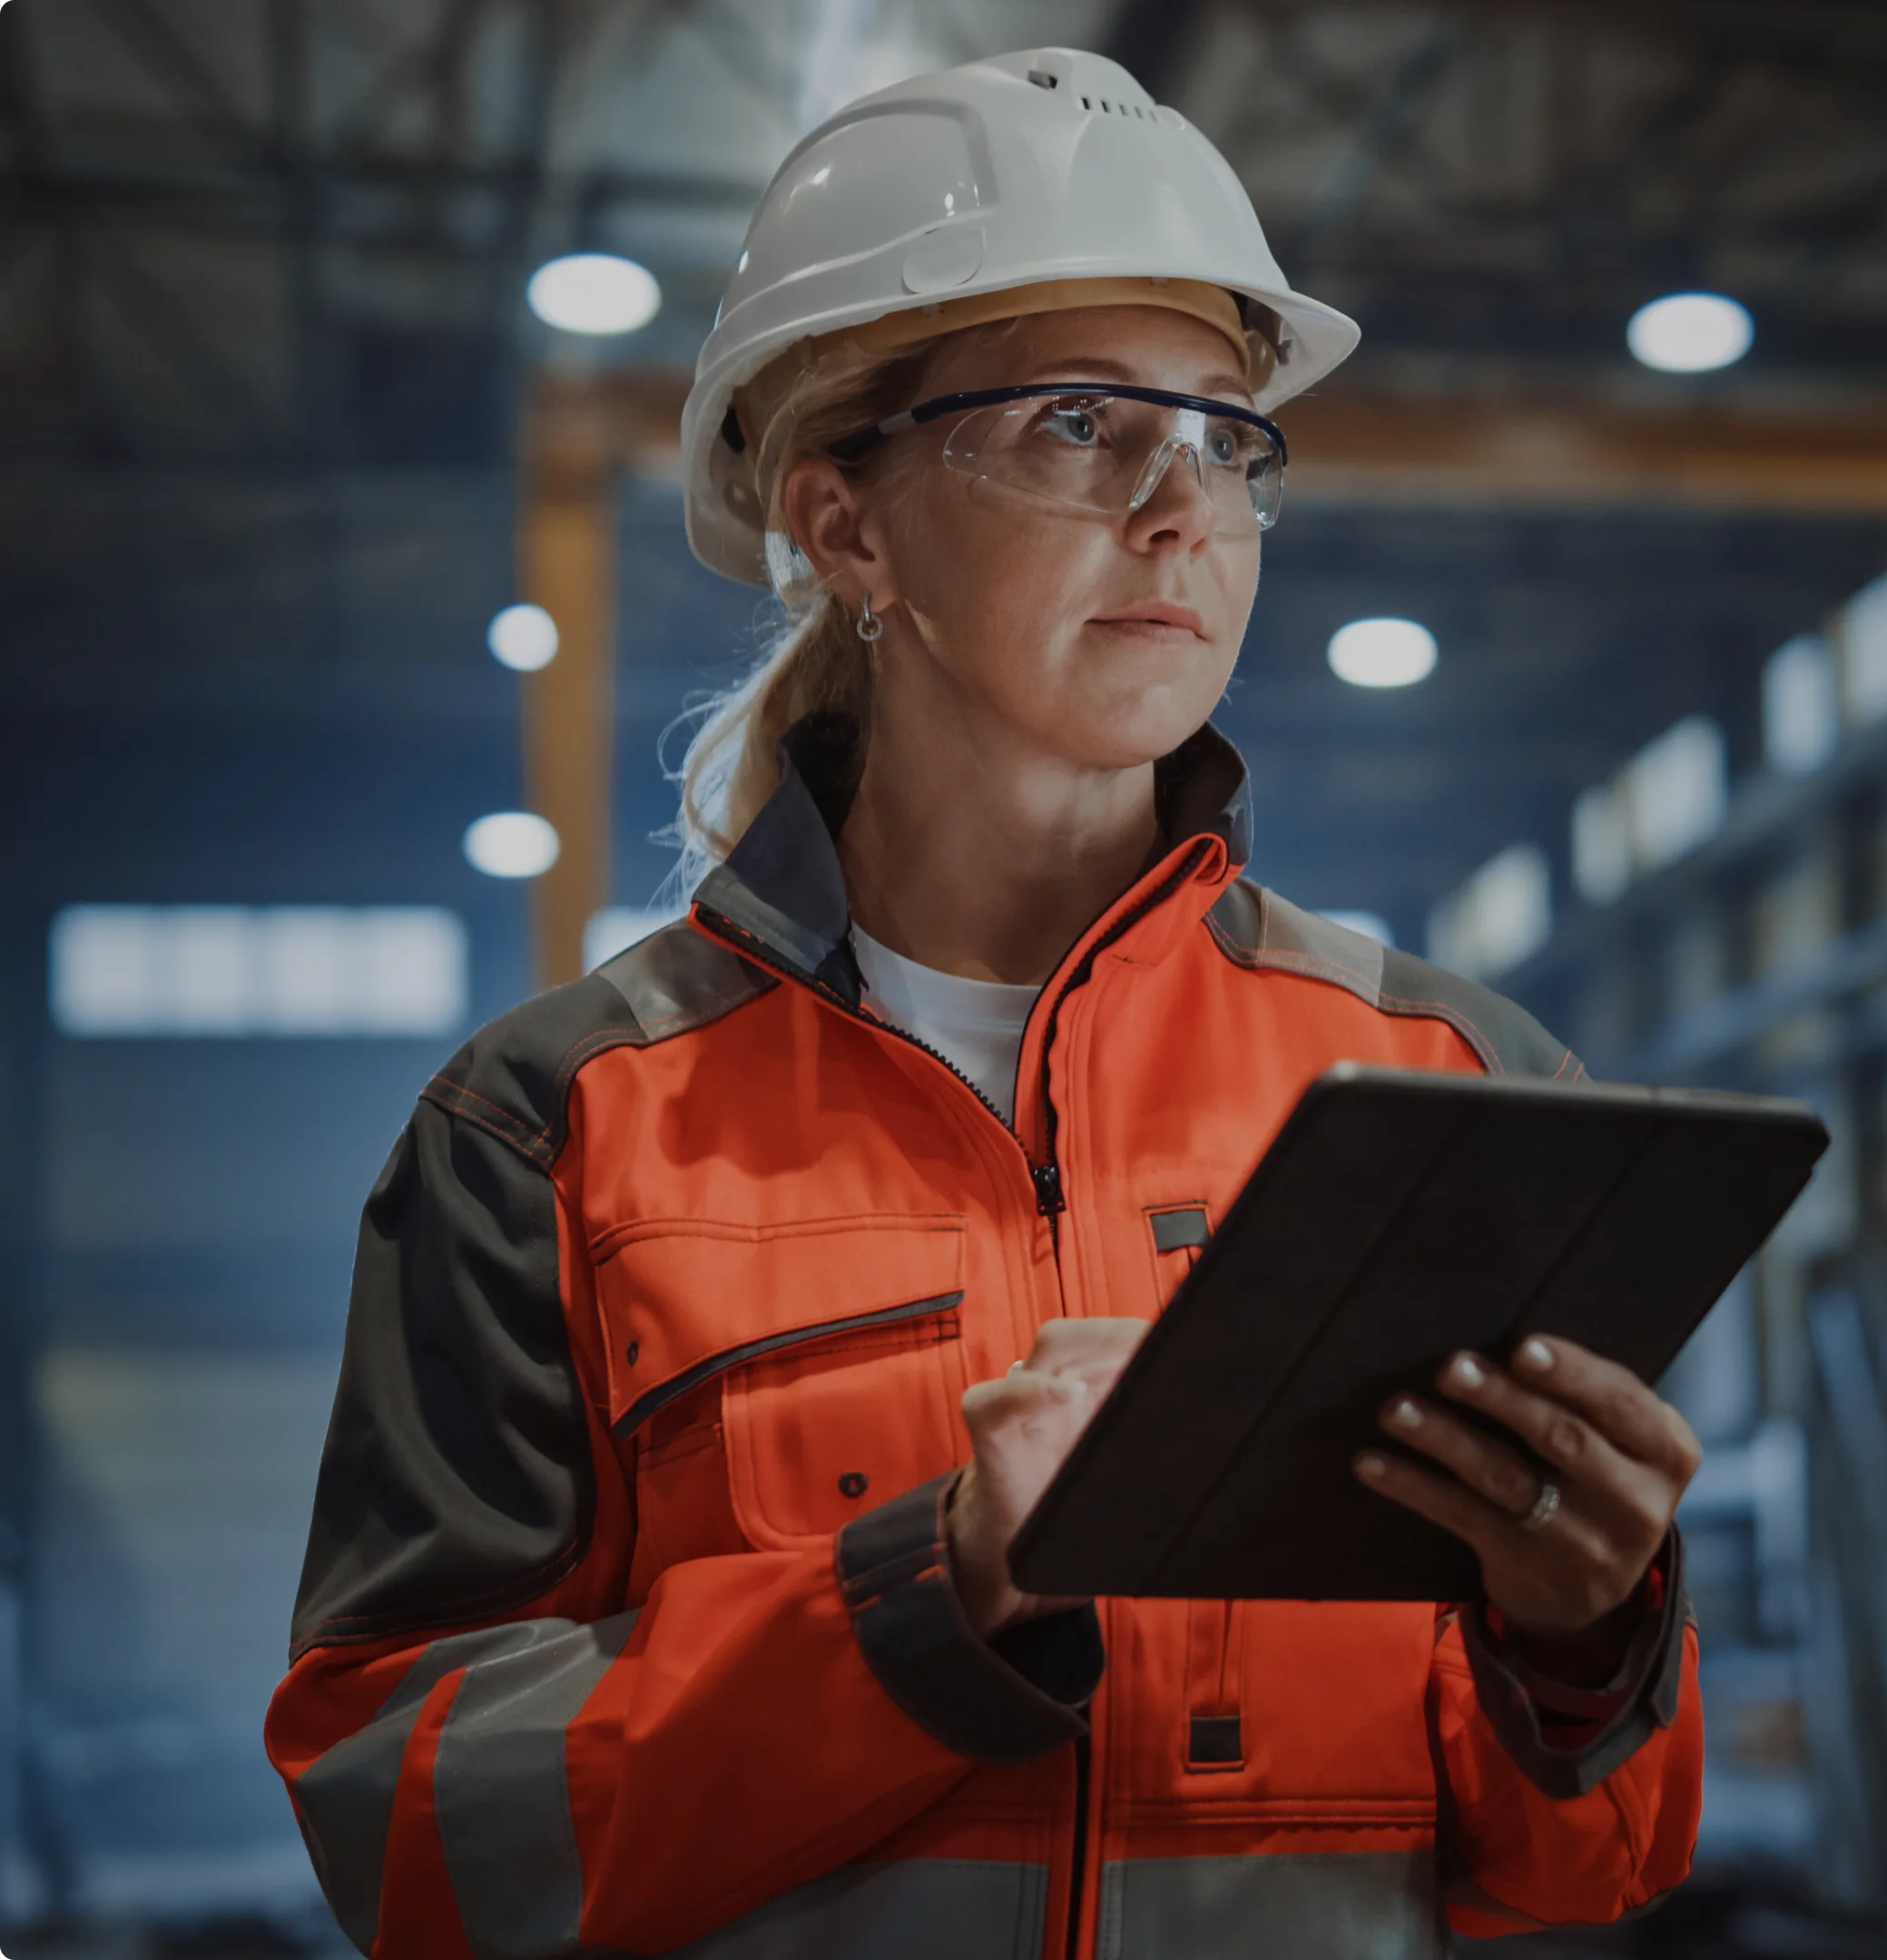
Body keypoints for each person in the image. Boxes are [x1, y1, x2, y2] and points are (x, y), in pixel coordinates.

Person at [266, 47, 1705, 1958]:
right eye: (1081, 425)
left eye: (1225, 439)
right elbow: (413, 1837)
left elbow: (1585, 1865)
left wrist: (1589, 1638)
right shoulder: (558, 1131)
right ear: (846, 527)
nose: (1184, 508)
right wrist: (928, 1595)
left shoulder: (1449, 1080)